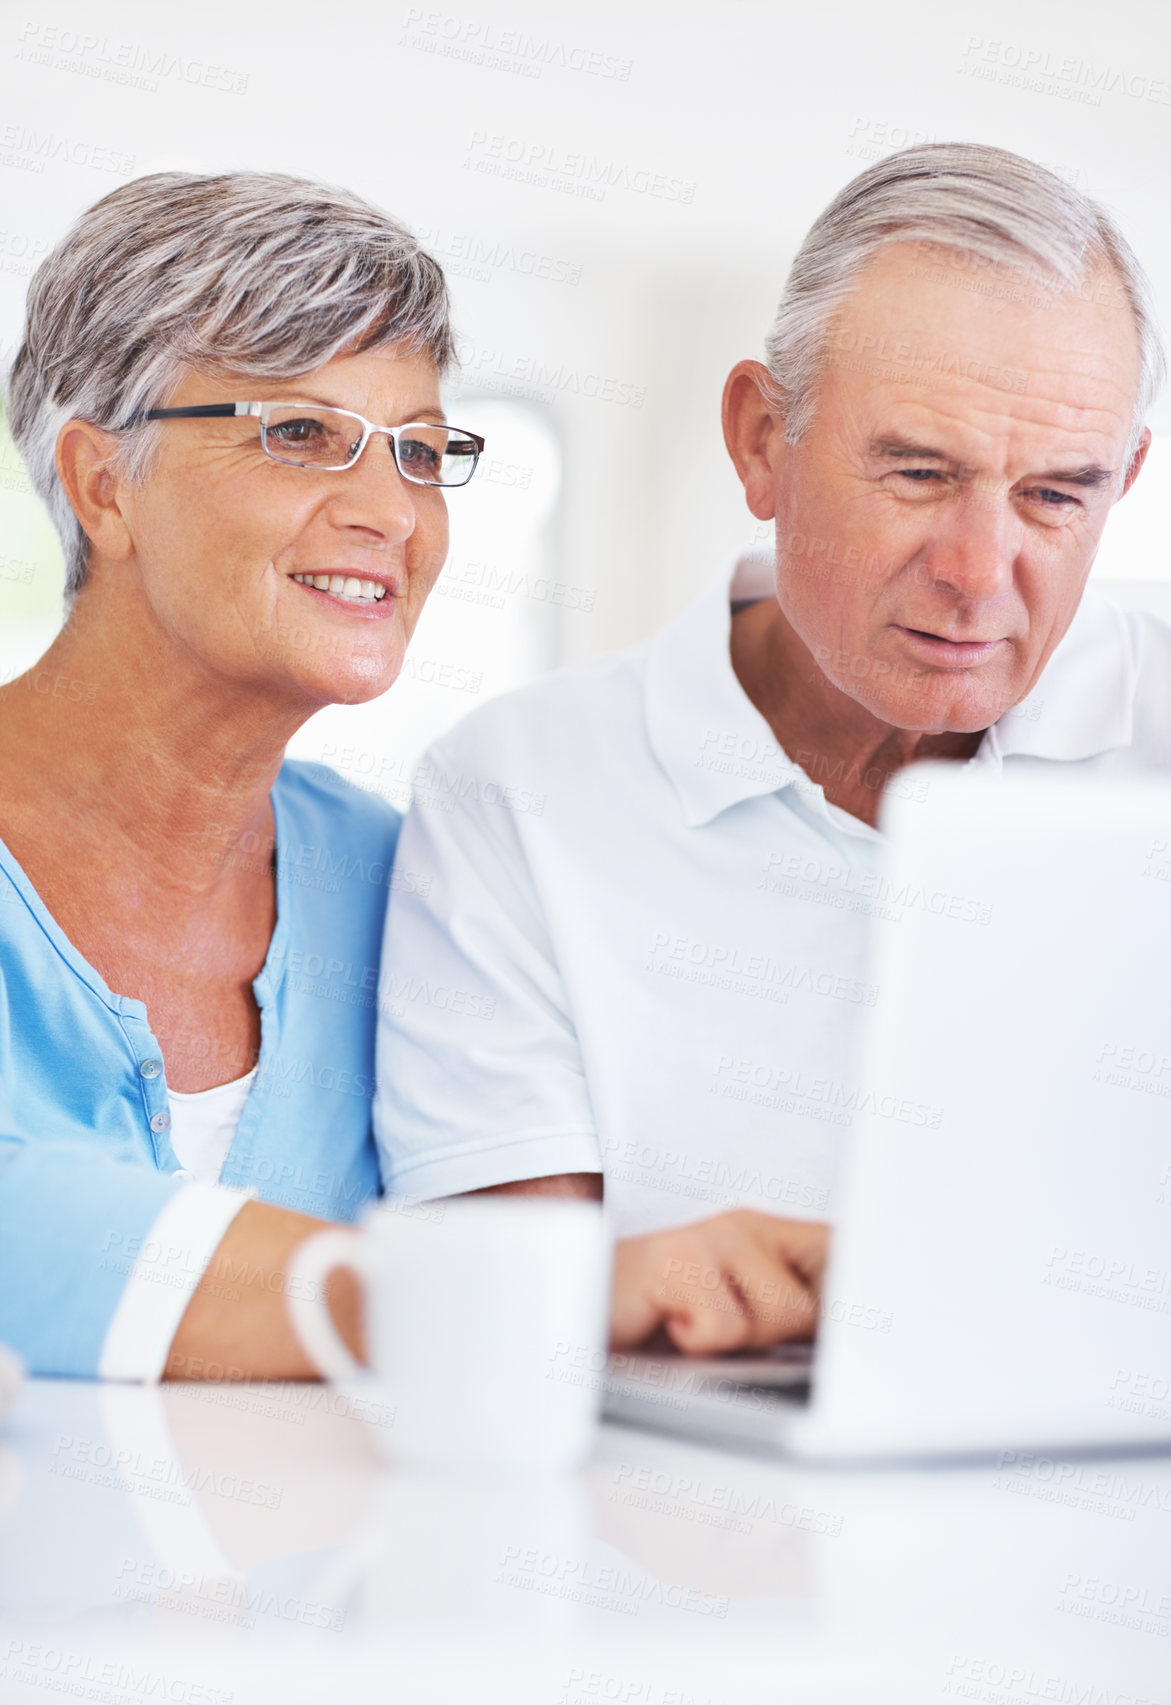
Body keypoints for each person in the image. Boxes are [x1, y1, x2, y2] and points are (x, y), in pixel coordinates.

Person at [376, 143, 1171, 1356]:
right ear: (761, 440)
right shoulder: (516, 792)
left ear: (1125, 478)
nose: (976, 573)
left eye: (1057, 496)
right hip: (676, 1515)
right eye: (917, 472)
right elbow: (505, 1324)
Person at [0, 170, 486, 1380]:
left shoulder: (417, 883)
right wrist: (498, 1299)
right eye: (300, 435)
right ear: (102, 485)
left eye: (421, 453)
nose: (391, 511)